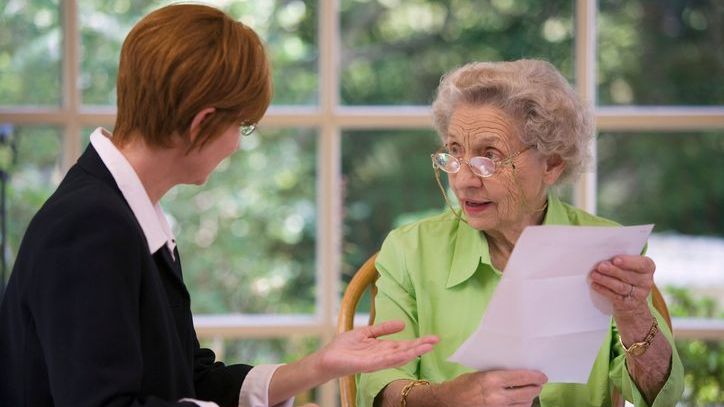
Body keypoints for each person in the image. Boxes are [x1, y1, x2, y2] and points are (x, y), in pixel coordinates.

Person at [0, 4, 439, 407]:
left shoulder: (124, 214)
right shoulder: (90, 226)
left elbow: (192, 381)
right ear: (202, 123)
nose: (236, 145)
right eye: (242, 126)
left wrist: (318, 366)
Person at [358, 59, 684, 407]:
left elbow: (660, 396)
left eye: (488, 157)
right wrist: (449, 397)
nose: (463, 181)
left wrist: (634, 315)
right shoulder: (410, 250)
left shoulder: (606, 248)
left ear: (552, 164)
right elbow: (379, 390)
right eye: (454, 152)